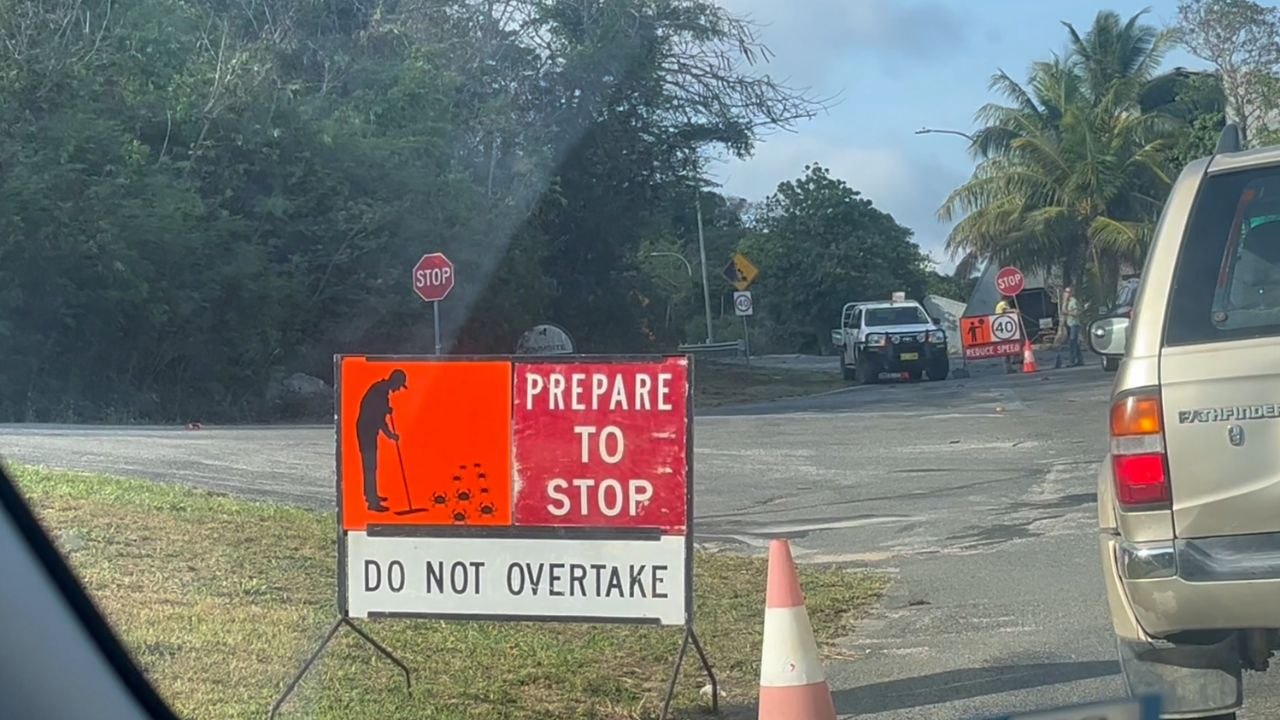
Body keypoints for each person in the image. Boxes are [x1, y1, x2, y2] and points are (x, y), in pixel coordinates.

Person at [355, 369, 407, 512]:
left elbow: (379, 415)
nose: (398, 389)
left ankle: (370, 494)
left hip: (368, 429)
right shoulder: (380, 393)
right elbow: (379, 420)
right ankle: (372, 503)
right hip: (367, 431)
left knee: (371, 465)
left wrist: (385, 409)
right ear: (394, 382)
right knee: (370, 465)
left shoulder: (381, 390)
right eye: (399, 386)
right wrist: (390, 435)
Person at [996, 296, 1016, 373]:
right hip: (1003, 328)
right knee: (1005, 349)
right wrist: (1013, 310)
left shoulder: (1000, 304)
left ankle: (1009, 368)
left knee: (1006, 349)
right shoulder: (1003, 303)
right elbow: (1005, 311)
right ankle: (1007, 368)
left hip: (1002, 328)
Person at [1063, 286, 1083, 366]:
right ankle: (1080, 359)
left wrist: (1067, 312)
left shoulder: (1073, 301)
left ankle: (1072, 361)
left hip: (1074, 324)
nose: (1067, 293)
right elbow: (1063, 310)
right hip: (1069, 324)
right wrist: (1064, 302)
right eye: (1066, 292)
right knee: (1075, 343)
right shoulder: (1066, 301)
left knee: (1072, 342)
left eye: (1068, 292)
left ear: (1071, 293)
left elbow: (1076, 313)